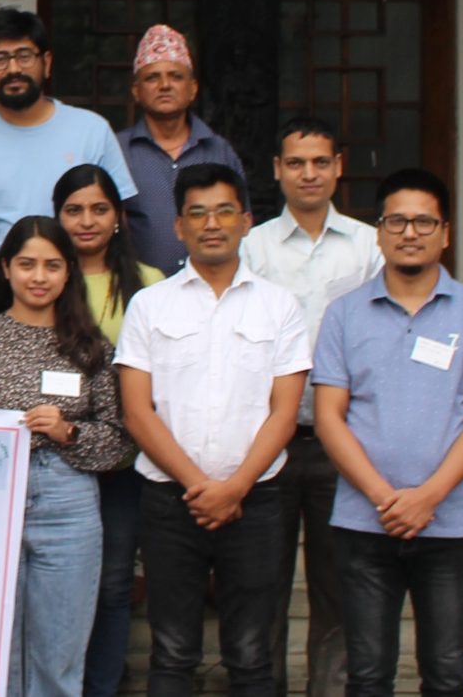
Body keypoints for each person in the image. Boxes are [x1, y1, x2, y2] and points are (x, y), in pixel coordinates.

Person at [310, 171, 463, 697]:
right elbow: (329, 416)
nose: (410, 232)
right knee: (368, 674)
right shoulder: (345, 315)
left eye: (424, 221)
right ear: (378, 232)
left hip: (451, 524)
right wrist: (384, 498)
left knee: (446, 673)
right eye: (396, 220)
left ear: (445, 232)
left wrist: (429, 497)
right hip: (363, 523)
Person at [118, 165, 311, 697]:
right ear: (178, 226)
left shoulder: (280, 307)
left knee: (251, 656)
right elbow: (138, 412)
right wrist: (199, 487)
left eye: (225, 211)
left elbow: (283, 413)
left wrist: (234, 488)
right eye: (197, 213)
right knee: (173, 652)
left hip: (256, 503)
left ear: (247, 221)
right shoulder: (149, 304)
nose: (212, 224)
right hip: (167, 502)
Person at [0, 216, 131, 697]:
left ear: (69, 272)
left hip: (67, 499)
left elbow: (120, 440)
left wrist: (69, 432)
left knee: (60, 655)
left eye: (51, 265)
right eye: (26, 264)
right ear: (5, 268)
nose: (38, 277)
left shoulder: (92, 349)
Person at [239, 117, 383, 697]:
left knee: (337, 587)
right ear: (277, 170)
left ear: (338, 167)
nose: (308, 174)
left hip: (340, 441)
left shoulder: (369, 246)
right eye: (295, 163)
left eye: (320, 162)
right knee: (262, 586)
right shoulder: (253, 246)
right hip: (266, 441)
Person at [56, 165, 166, 697]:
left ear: (119, 217)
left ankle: (102, 686)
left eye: (99, 209)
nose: (87, 221)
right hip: (53, 460)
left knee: (114, 584)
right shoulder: (44, 274)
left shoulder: (150, 284)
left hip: (123, 461)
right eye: (74, 209)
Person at [0, 8, 135, 265]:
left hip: (80, 293)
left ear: (46, 63)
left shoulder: (92, 131)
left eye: (24, 56)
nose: (13, 68)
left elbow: (119, 220)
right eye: (0, 59)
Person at [117, 26, 246, 275]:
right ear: (136, 91)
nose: (165, 85)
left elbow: (241, 224)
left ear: (193, 89)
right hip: (138, 294)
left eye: (175, 76)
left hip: (212, 293)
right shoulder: (118, 151)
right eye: (152, 77)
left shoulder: (219, 152)